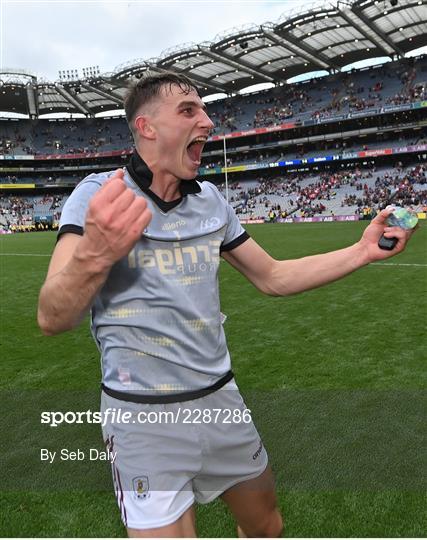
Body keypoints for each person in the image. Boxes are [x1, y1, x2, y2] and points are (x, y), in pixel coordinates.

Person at [37, 72, 414, 538]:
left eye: (205, 109)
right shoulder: (101, 196)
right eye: (189, 110)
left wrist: (361, 251)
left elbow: (272, 277)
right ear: (147, 127)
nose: (209, 122)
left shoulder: (211, 200)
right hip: (141, 417)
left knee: (266, 527)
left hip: (221, 401)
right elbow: (52, 317)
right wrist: (96, 252)